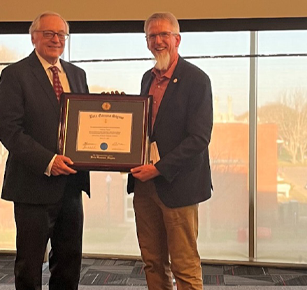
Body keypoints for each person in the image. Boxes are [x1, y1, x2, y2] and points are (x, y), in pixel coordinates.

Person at [0, 11, 90, 290]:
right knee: (30, 265)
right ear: (34, 37)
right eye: (48, 33)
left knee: (69, 263)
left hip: (71, 186)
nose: (56, 39)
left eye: (61, 34)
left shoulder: (77, 74)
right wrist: (49, 161)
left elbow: (84, 122)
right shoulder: (14, 75)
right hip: (32, 186)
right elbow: (9, 130)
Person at [128, 12, 213, 290]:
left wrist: (159, 168)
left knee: (184, 264)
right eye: (152, 36)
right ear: (146, 42)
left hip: (178, 185)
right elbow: (145, 129)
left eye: (164, 34)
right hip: (144, 186)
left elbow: (199, 138)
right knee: (152, 262)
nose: (158, 41)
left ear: (177, 39)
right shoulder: (146, 79)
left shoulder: (196, 79)